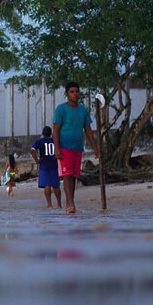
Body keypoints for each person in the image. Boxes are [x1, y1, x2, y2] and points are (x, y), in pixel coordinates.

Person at [53, 81, 99, 214]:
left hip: (77, 148)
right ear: (67, 94)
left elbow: (88, 129)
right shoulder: (61, 109)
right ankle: (70, 203)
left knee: (73, 176)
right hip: (64, 147)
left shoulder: (82, 110)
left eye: (77, 92)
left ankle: (70, 202)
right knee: (67, 175)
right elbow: (55, 129)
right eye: (72, 92)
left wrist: (95, 148)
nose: (75, 94)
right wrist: (57, 148)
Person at [31, 126, 62, 209]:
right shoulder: (55, 141)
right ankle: (59, 204)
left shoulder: (39, 141)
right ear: (51, 133)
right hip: (54, 165)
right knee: (56, 185)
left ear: (42, 133)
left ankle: (50, 204)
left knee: (47, 185)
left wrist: (37, 160)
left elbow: (32, 150)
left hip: (44, 165)